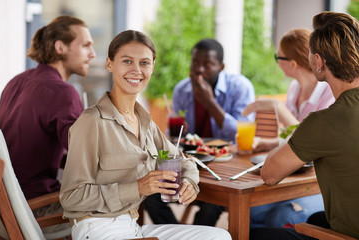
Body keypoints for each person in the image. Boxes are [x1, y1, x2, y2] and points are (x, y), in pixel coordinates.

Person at [59, 30, 231, 240]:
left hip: (132, 226)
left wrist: (189, 184)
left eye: (144, 63)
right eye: (127, 61)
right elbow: (71, 198)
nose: (136, 70)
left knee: (219, 236)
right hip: (97, 229)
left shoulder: (145, 122)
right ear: (109, 64)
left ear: (152, 67)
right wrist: (137, 188)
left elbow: (184, 162)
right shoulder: (91, 122)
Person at [250, 11, 359, 239]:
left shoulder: (325, 120)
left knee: (251, 233)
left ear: (318, 62)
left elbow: (269, 174)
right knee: (315, 219)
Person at [144, 38, 255, 226]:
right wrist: (178, 131)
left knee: (211, 205)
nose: (199, 69)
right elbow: (176, 136)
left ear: (221, 66)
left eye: (207, 64)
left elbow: (241, 130)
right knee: (150, 195)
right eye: (195, 62)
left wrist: (209, 102)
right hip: (192, 162)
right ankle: (177, 236)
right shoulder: (182, 89)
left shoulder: (240, 87)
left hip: (228, 165)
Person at [0, 15, 95, 230]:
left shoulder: (16, 81)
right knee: (119, 201)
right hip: (33, 207)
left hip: (5, 207)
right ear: (61, 47)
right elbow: (87, 154)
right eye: (86, 45)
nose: (93, 54)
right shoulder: (63, 92)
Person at [242, 28, 334, 228]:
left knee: (282, 217)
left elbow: (313, 142)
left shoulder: (329, 93)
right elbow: (293, 140)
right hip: (292, 175)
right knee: (248, 209)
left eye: (278, 57)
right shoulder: (294, 89)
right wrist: (268, 143)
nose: (276, 61)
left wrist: (278, 108)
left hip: (319, 186)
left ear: (292, 64)